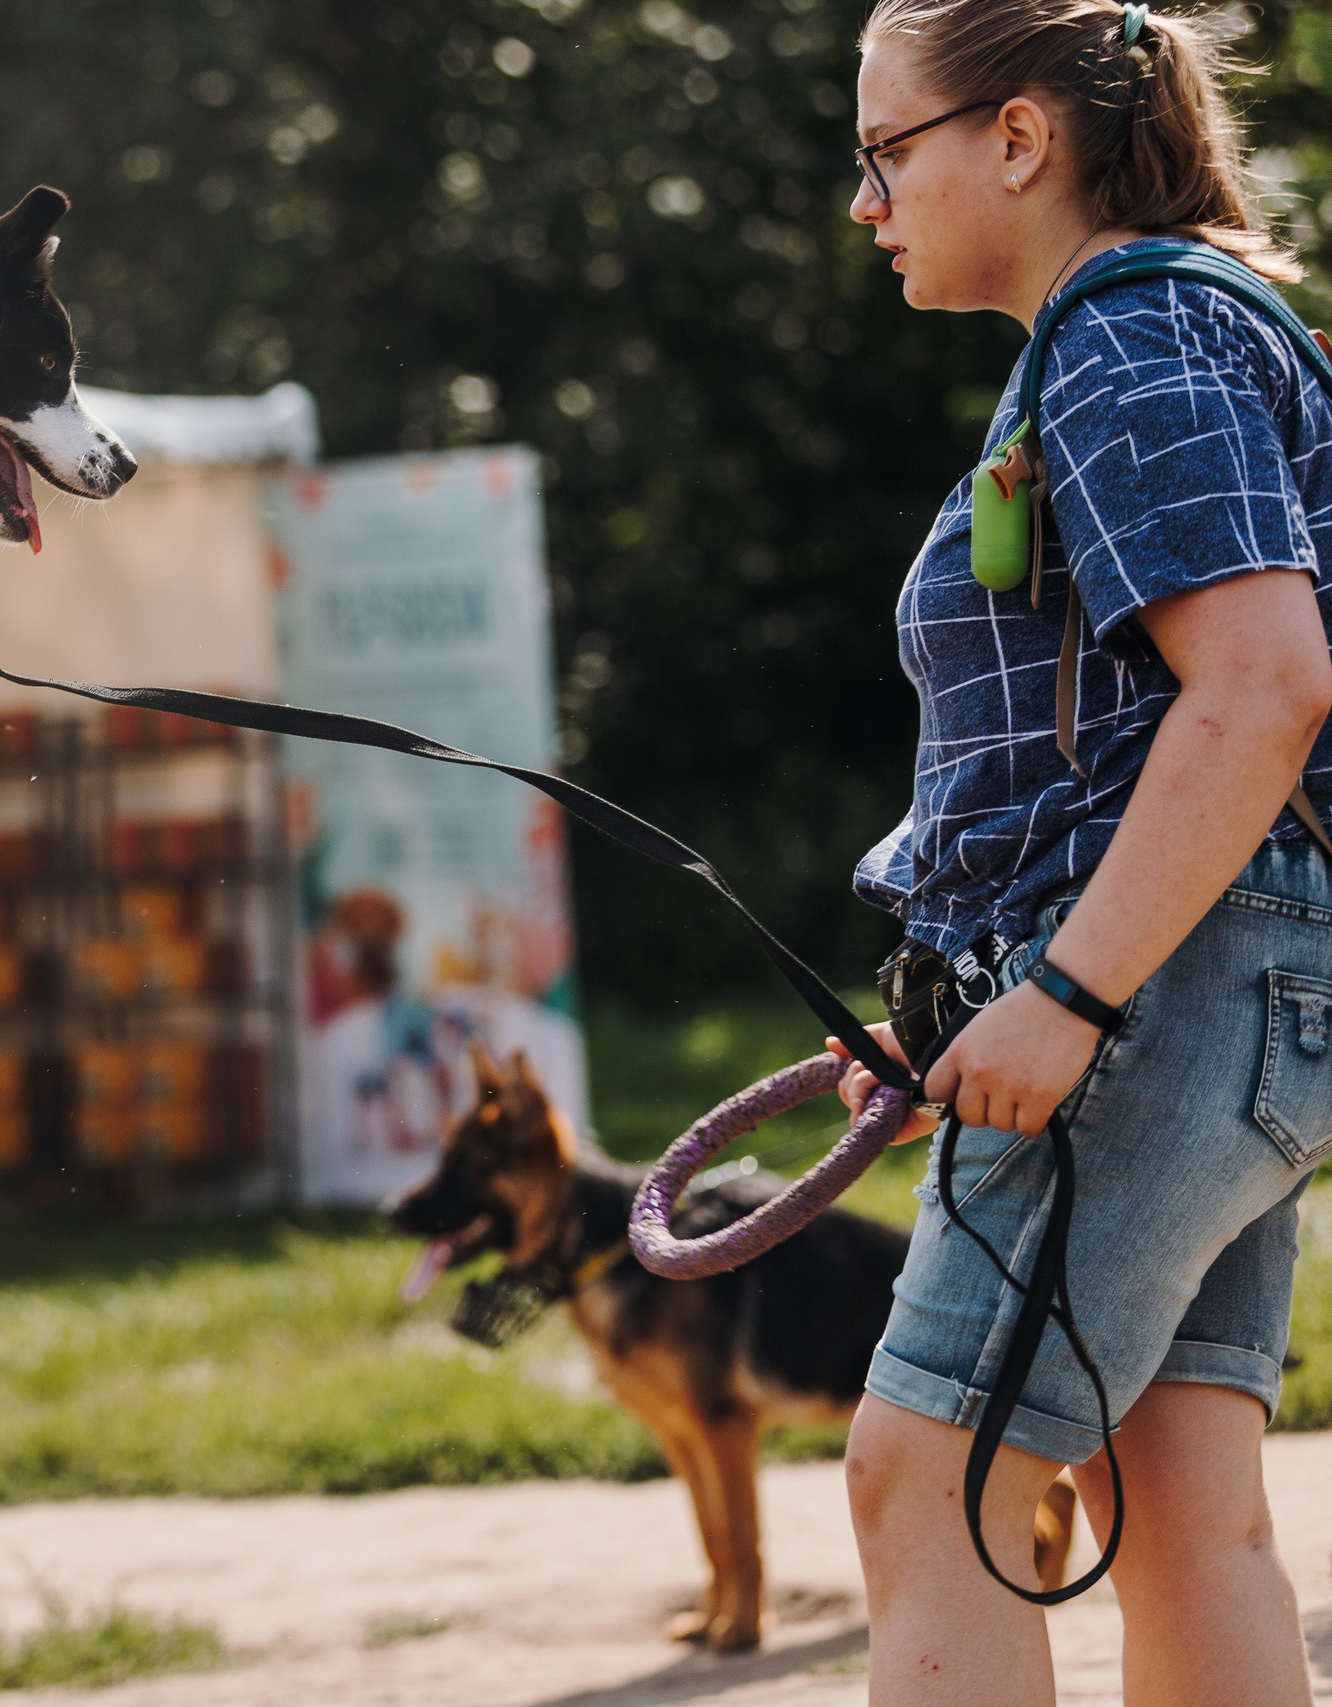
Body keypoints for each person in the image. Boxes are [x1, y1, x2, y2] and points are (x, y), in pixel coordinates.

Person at [830, 4, 1331, 1701]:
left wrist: (1064, 989)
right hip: (1212, 985)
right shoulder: (1160, 335)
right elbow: (1099, 742)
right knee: (1174, 1496)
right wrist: (969, 997)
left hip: (1162, 986)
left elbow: (1261, 686)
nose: (865, 200)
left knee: (930, 1484)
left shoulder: (1133, 343)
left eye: (884, 151)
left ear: (1021, 140)